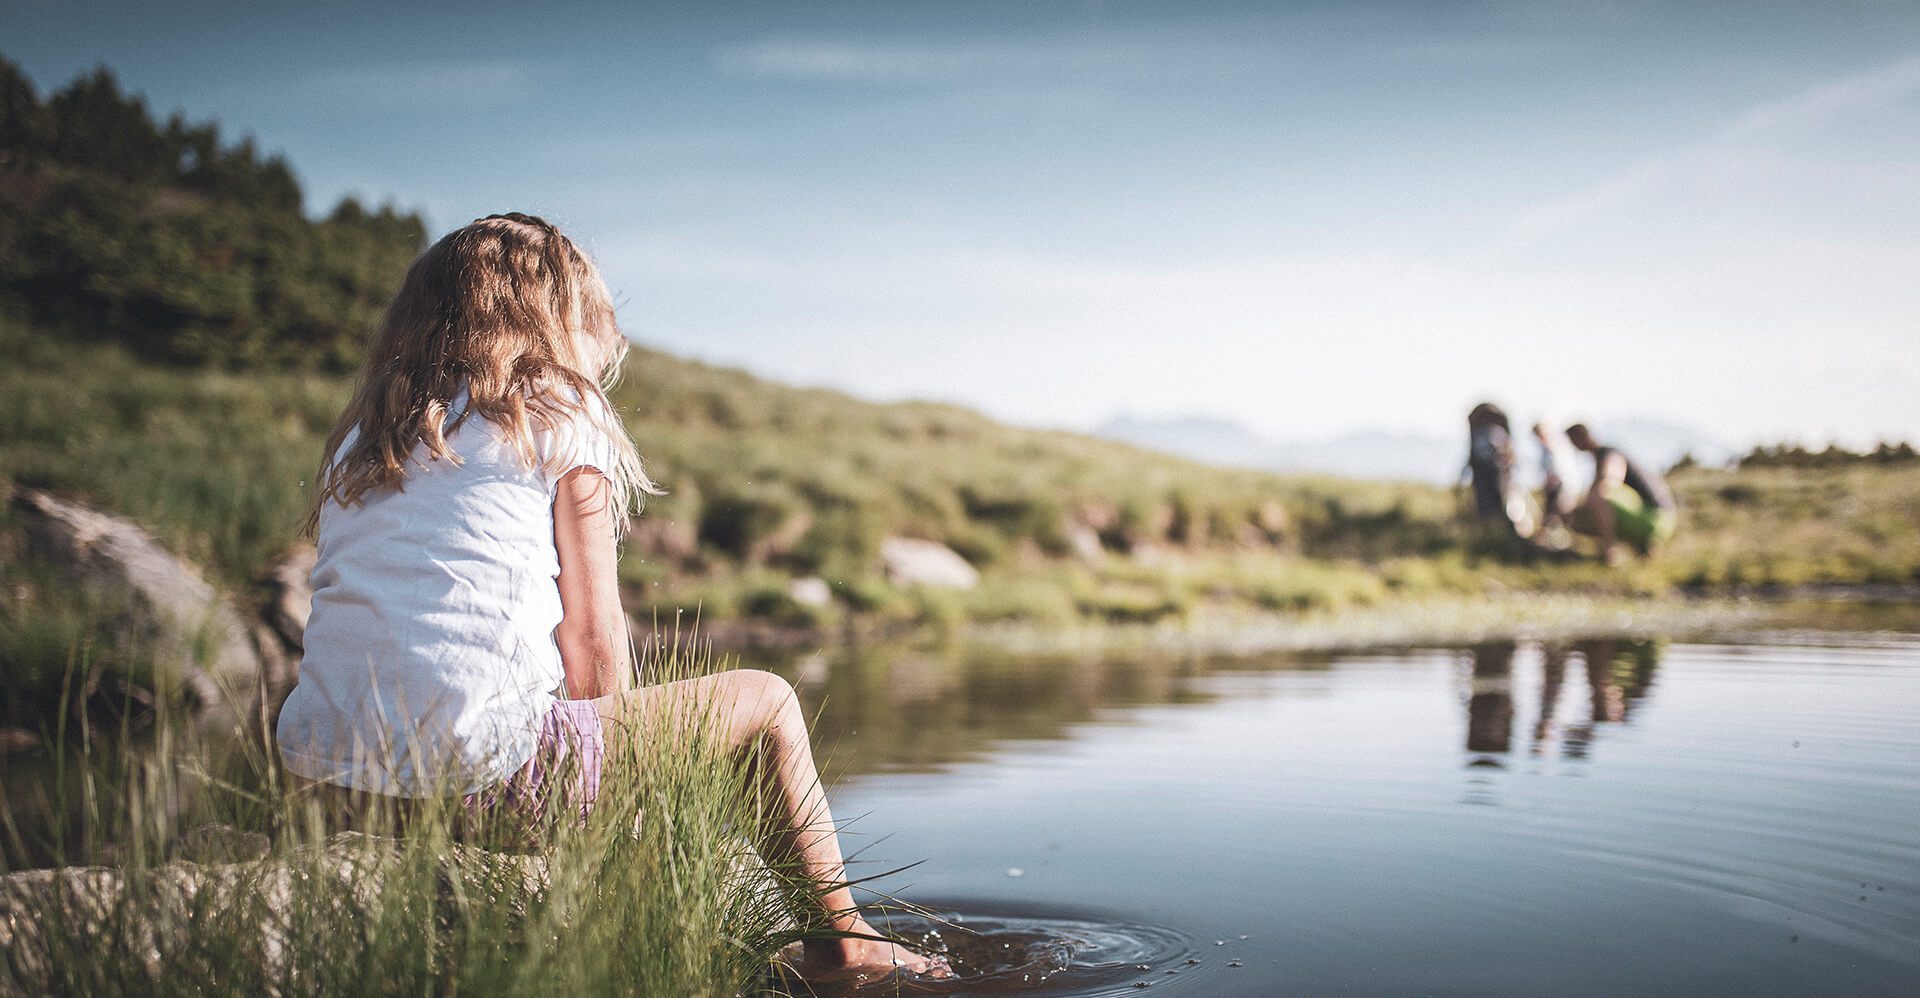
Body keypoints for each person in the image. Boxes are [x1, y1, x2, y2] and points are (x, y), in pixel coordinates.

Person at [273, 213, 946, 980]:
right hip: (481, 780)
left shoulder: (371, 432)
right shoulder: (557, 405)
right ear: (559, 322)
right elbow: (592, 637)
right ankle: (846, 944)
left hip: (325, 779)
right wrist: (623, 809)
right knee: (769, 701)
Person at [1565, 423, 1678, 563]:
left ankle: (1611, 553)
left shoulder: (1609, 454)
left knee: (1597, 498)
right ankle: (1642, 545)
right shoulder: (1602, 455)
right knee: (1584, 509)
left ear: (1579, 437)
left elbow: (1608, 483)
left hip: (1656, 518)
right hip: (1657, 516)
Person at [1462, 402, 1533, 540]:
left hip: (1497, 478)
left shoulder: (1492, 433)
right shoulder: (1489, 434)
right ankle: (1494, 536)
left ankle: (1501, 536)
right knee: (1490, 507)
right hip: (1488, 477)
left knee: (1502, 506)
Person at [1532, 421, 1582, 539]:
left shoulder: (1554, 447)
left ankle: (1563, 538)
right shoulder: (1550, 447)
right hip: (1559, 485)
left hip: (1561, 485)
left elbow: (1557, 470)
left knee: (1560, 512)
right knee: (1554, 513)